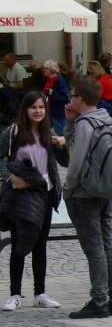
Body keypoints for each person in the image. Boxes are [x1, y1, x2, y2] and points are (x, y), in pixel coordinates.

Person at [61, 75, 112, 319]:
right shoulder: (103, 120)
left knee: (94, 248)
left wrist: (67, 190)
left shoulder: (86, 124)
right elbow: (73, 144)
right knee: (107, 243)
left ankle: (99, 300)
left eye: (71, 95)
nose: (69, 99)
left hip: (84, 194)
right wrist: (69, 122)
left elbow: (75, 160)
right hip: (103, 190)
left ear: (80, 98)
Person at [0, 91, 68, 311]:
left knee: (40, 245)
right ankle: (15, 294)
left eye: (41, 107)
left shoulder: (49, 132)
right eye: (33, 108)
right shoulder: (13, 132)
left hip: (45, 193)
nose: (38, 111)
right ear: (25, 110)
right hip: (20, 194)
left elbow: (64, 162)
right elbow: (1, 159)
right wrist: (12, 178)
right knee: (19, 244)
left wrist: (62, 143)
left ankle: (40, 293)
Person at [41, 60, 70, 135]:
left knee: (61, 133)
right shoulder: (47, 79)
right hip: (48, 110)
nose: (43, 70)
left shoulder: (59, 81)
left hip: (57, 112)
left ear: (51, 70)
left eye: (45, 68)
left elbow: (64, 97)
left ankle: (64, 146)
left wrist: (53, 94)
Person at [1, 53, 28, 117]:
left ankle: (12, 111)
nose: (3, 62)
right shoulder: (9, 68)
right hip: (11, 89)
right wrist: (5, 81)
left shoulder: (19, 69)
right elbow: (9, 80)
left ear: (12, 61)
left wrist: (10, 87)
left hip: (19, 91)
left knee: (3, 92)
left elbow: (21, 85)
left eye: (6, 60)